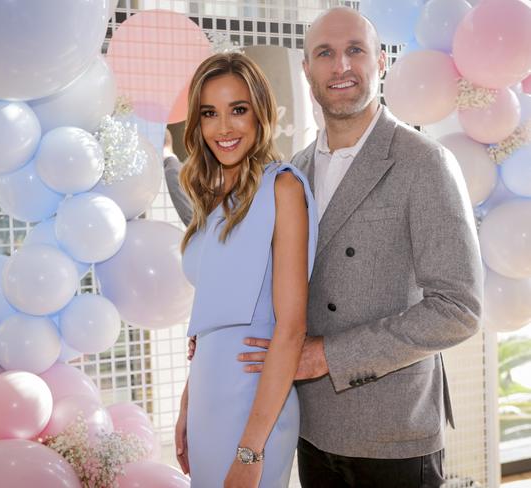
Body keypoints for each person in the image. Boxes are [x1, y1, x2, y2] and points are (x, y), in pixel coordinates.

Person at [167, 7, 482, 488]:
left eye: (355, 50)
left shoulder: (425, 163)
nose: (341, 67)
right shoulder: (291, 171)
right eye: (325, 54)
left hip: (392, 433)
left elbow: (459, 309)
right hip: (309, 429)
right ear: (306, 70)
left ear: (380, 61)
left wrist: (327, 356)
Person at [174, 52, 317, 488]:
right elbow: (209, 323)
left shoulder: (284, 187)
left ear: (261, 113)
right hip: (206, 400)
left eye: (238, 109)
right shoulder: (213, 202)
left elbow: (290, 329)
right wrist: (186, 405)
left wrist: (250, 449)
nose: (224, 127)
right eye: (209, 114)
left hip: (254, 406)